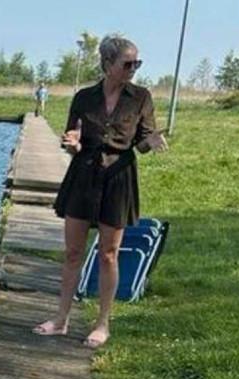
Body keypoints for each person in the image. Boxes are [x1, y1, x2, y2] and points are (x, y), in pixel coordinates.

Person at [33, 35, 167, 348]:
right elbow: (73, 138)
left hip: (118, 177)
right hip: (83, 174)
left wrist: (151, 142)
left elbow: (142, 142)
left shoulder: (141, 97)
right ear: (107, 64)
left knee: (108, 254)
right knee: (73, 252)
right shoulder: (84, 97)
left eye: (137, 63)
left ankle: (102, 324)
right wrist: (73, 144)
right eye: (128, 63)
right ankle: (61, 319)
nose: (133, 69)